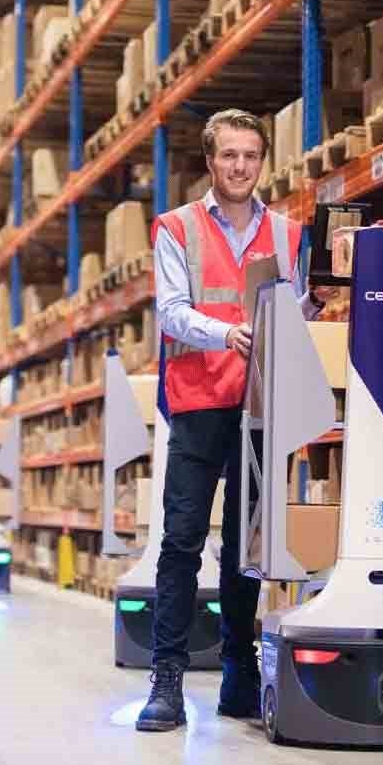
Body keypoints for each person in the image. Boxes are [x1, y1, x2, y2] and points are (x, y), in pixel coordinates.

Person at [135, 108, 334, 732]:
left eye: (250, 155)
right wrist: (229, 333)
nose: (240, 166)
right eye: (229, 156)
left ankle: (238, 672)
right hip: (198, 402)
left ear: (262, 161)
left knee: (246, 550)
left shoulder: (291, 235)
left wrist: (312, 301)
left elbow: (294, 313)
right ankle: (167, 679)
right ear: (210, 160)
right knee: (182, 540)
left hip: (261, 408)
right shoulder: (177, 228)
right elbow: (170, 312)